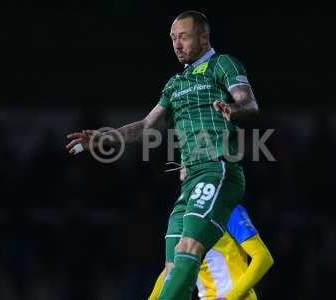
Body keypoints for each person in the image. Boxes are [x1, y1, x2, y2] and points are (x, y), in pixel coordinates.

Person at [66, 10, 259, 299]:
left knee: (188, 249)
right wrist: (106, 137)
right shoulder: (174, 84)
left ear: (204, 38)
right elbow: (146, 126)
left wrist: (234, 110)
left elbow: (249, 104)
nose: (176, 44)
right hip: (189, 180)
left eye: (183, 37)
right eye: (172, 39)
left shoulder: (223, 65)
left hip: (217, 170)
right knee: (172, 266)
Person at [148, 203, 274, 300]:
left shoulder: (227, 209)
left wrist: (231, 298)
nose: (181, 173)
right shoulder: (181, 216)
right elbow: (173, 268)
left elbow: (263, 257)